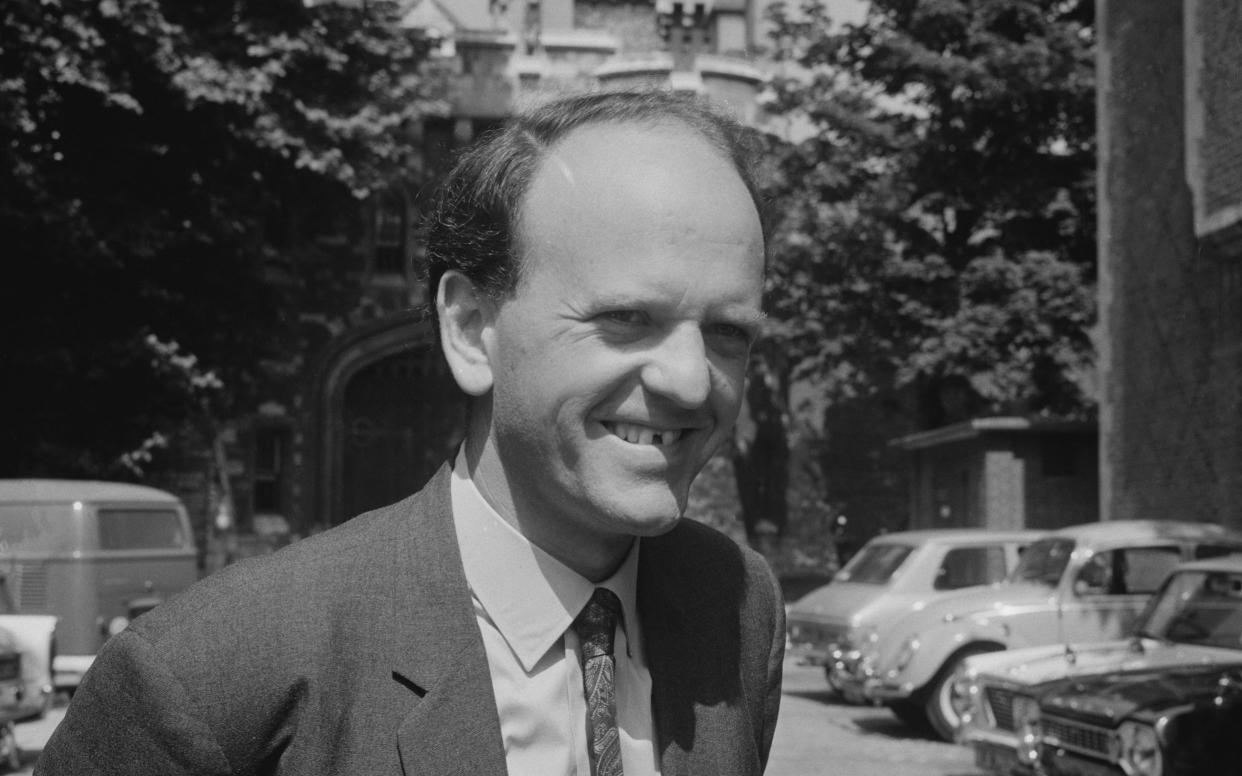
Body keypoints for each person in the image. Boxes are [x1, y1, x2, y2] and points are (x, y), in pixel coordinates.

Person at [37, 89, 785, 775]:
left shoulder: (737, 605)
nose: (691, 381)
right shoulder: (209, 677)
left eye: (728, 332)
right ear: (469, 329)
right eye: (627, 319)